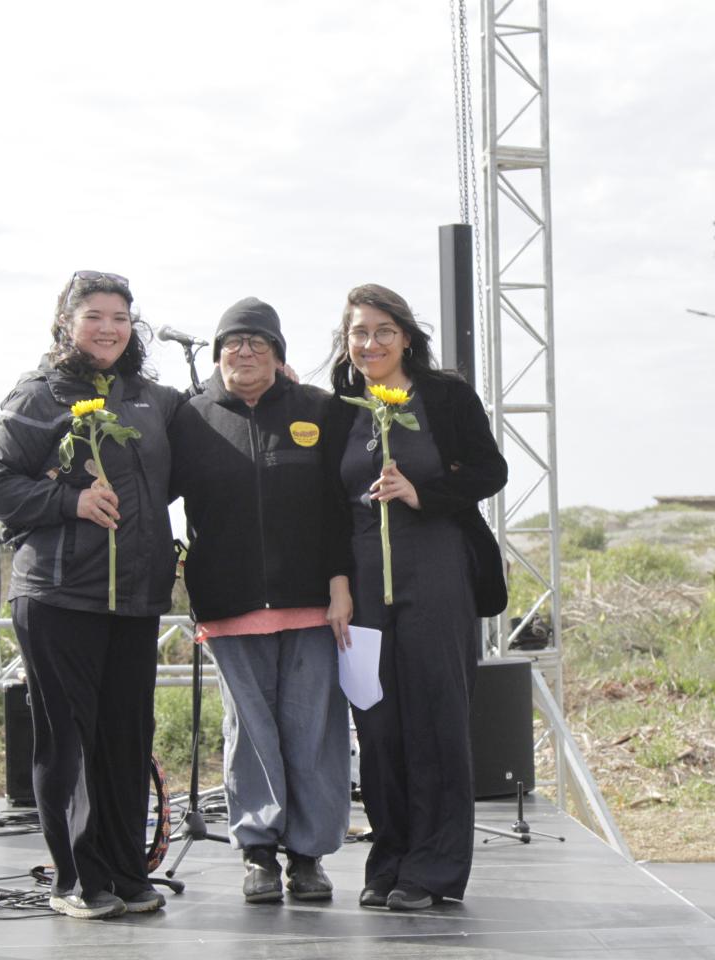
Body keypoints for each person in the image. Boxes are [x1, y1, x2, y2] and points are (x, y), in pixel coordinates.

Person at [0, 271, 181, 920]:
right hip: (61, 594)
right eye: (95, 316)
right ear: (66, 323)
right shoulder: (39, 393)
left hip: (137, 597)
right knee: (70, 740)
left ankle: (125, 873)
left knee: (126, 737)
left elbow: (183, 462)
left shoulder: (149, 397)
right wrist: (71, 501)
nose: (110, 328)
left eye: (121, 317)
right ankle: (75, 880)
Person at [328, 282, 507, 911]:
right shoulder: (339, 407)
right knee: (377, 728)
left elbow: (491, 471)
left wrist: (421, 494)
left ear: (405, 336)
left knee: (436, 721)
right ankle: (390, 860)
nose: (370, 343)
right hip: (363, 583)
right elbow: (324, 508)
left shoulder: (446, 396)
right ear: (346, 342)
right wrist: (338, 587)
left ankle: (433, 871)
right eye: (359, 332)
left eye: (382, 330)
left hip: (436, 572)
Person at [169, 296, 353, 904]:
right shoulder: (189, 419)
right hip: (228, 604)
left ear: (279, 354)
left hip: (311, 604)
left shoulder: (321, 411)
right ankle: (257, 854)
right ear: (218, 355)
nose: (244, 352)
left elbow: (339, 507)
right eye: (232, 343)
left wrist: (340, 581)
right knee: (249, 733)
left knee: (313, 731)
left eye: (258, 342)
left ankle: (307, 856)